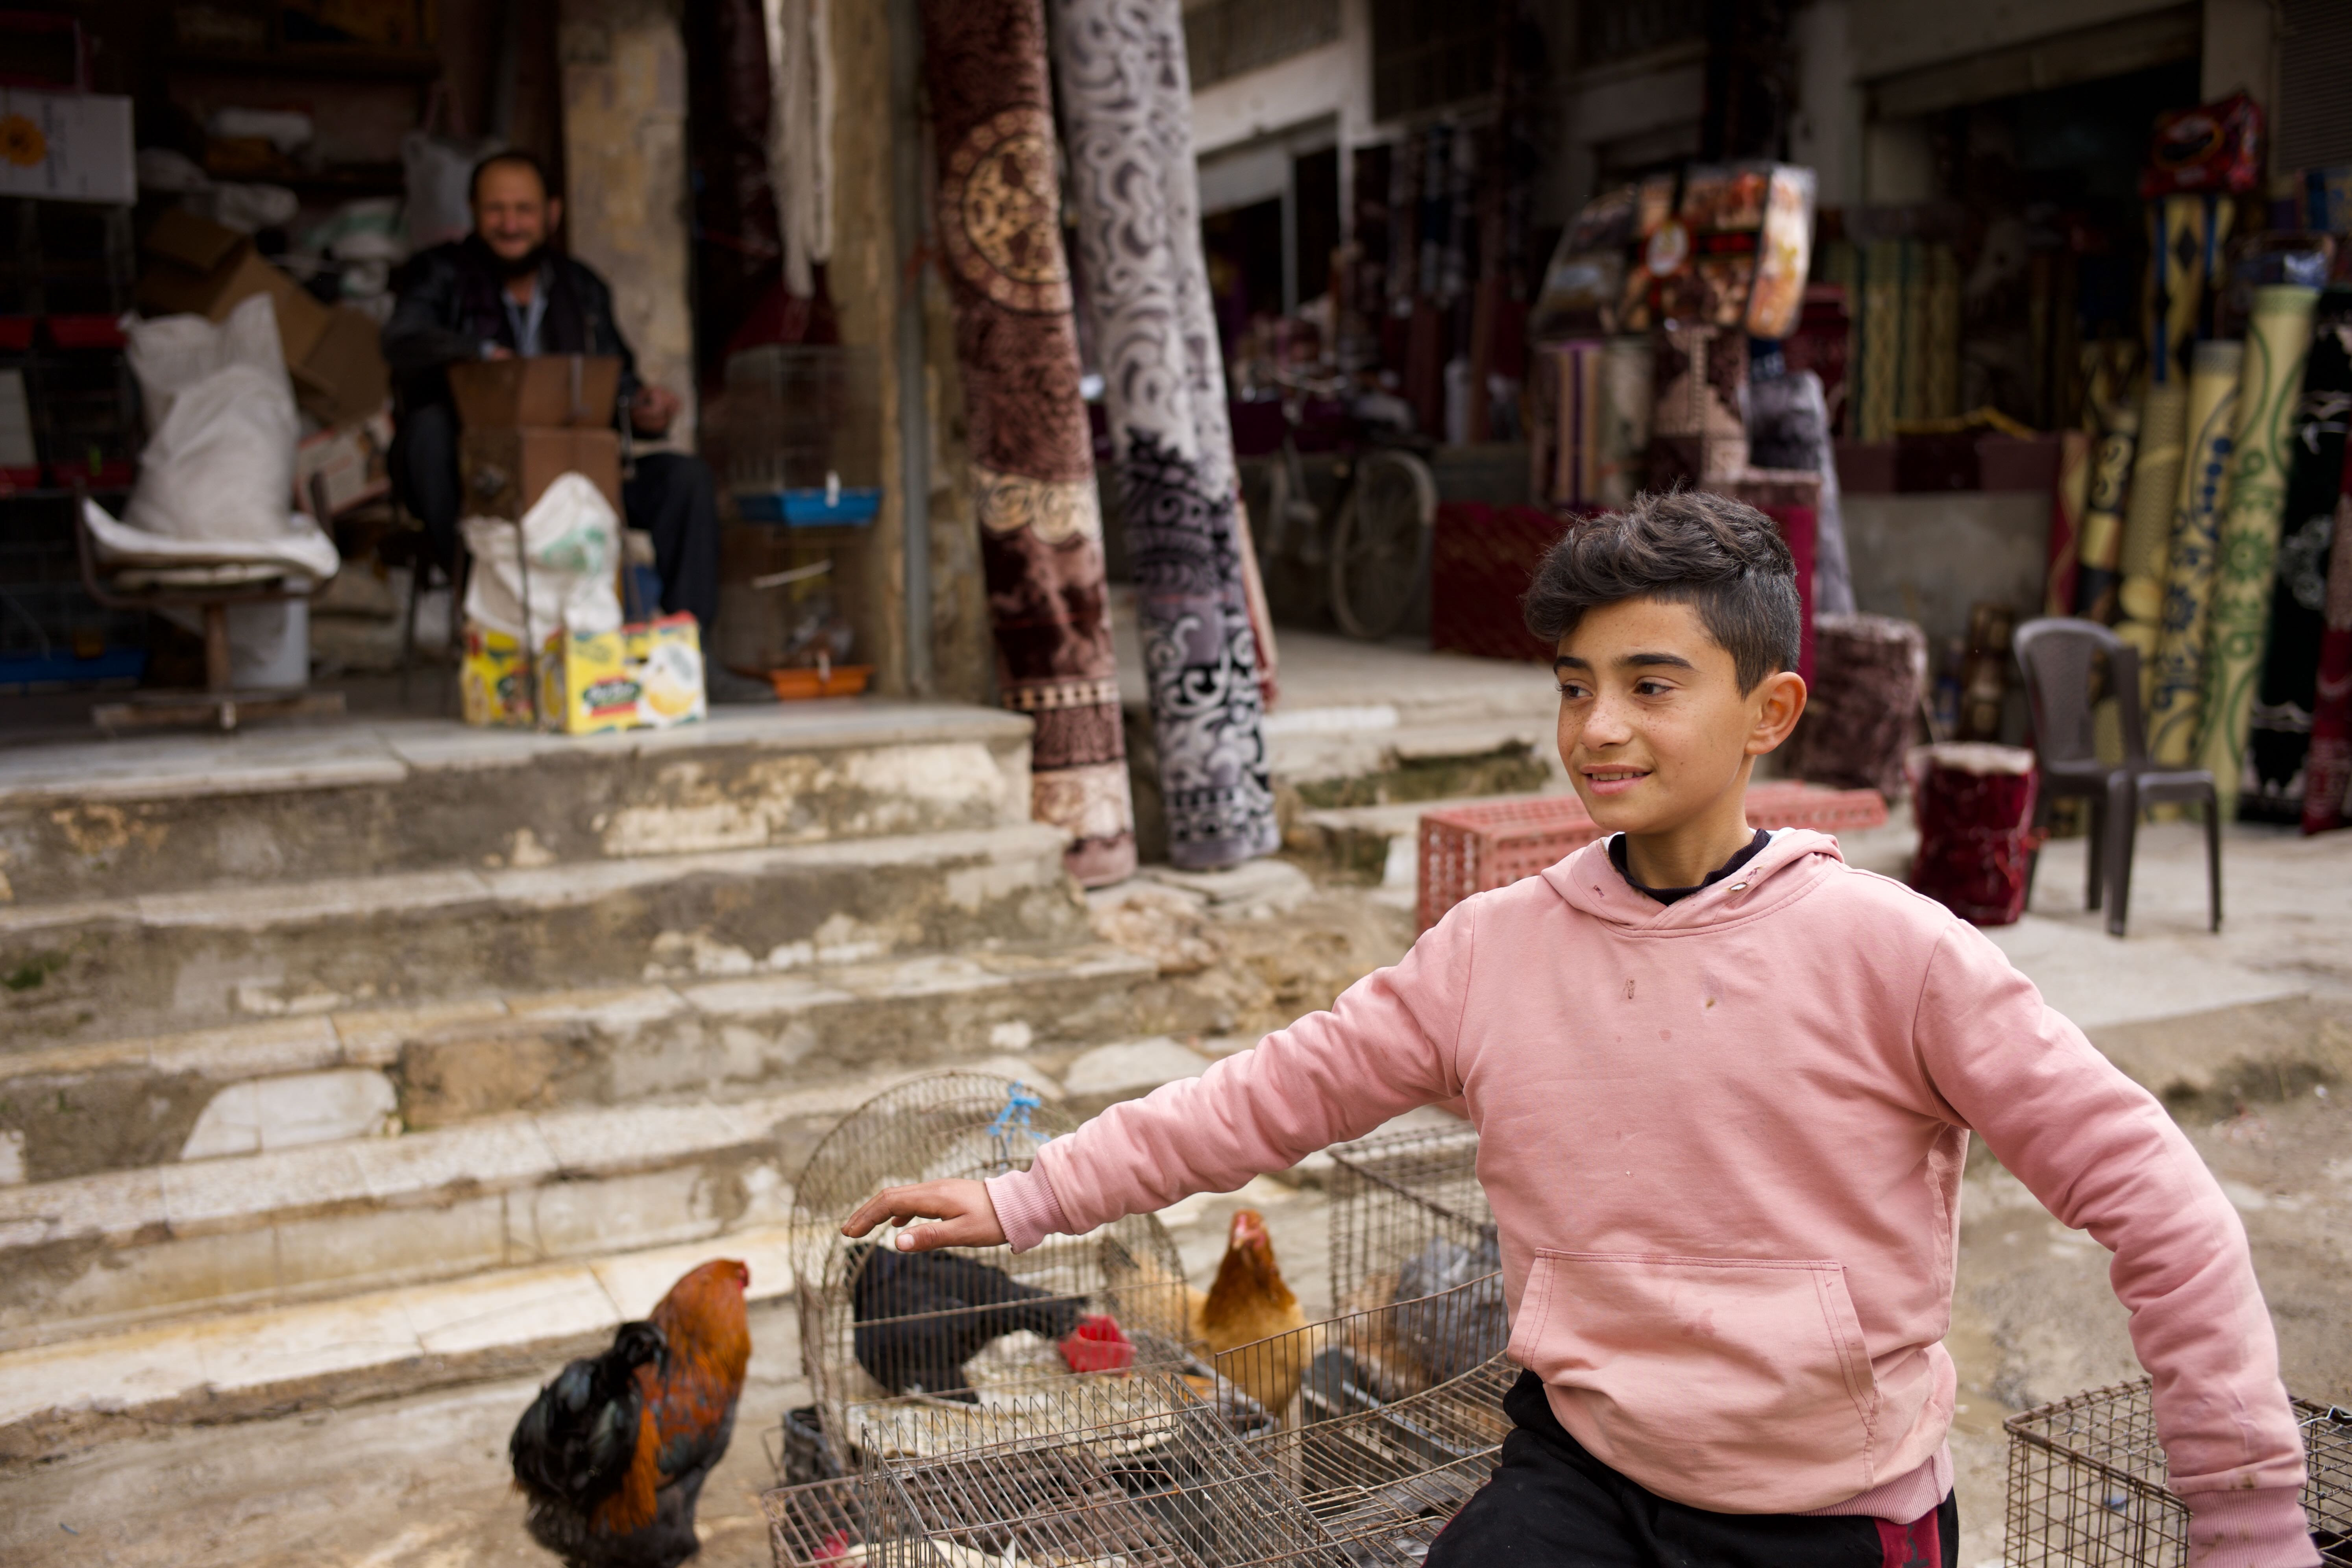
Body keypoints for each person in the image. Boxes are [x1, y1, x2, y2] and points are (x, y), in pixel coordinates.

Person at [845, 493, 2317, 1568]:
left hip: (1827, 1515)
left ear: (1770, 711)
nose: (1597, 729)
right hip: (1582, 1476)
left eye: (1651, 685)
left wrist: (2247, 1522)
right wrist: (1018, 1197)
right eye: (1573, 687)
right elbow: (1264, 1097)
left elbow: (2155, 1201)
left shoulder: (1898, 955)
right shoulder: (1492, 953)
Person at [382, 149, 720, 639]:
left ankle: (690, 648)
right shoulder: (438, 275)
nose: (511, 224)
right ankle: (482, 614)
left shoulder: (581, 289)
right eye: (497, 210)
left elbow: (617, 382)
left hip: (575, 479)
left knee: (686, 480)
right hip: (478, 486)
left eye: (524, 210)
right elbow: (401, 339)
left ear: (551, 215)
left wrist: (645, 409)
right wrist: (480, 355)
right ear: (474, 212)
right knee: (428, 432)